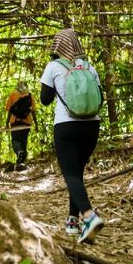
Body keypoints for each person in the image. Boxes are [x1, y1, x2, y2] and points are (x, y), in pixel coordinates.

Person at [39, 28, 104, 244]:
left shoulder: (53, 67)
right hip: (92, 126)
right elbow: (100, 97)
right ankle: (72, 222)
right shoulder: (89, 67)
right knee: (77, 173)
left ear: (57, 46)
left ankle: (89, 216)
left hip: (66, 126)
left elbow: (45, 99)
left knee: (71, 175)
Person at [5, 81, 38, 168]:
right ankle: (21, 163)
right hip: (26, 123)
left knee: (15, 140)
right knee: (24, 141)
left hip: (15, 122)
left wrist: (6, 123)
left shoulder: (13, 94)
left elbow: (10, 110)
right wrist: (36, 124)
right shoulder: (30, 95)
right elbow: (33, 111)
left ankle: (19, 153)